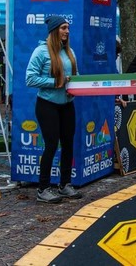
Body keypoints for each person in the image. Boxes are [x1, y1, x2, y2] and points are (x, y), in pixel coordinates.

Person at [25, 16, 83, 204]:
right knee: (51, 145)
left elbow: (75, 77)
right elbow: (30, 79)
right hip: (47, 105)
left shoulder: (70, 52)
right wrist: (56, 82)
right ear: (54, 30)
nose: (67, 31)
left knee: (68, 144)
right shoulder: (41, 52)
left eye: (68, 28)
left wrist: (79, 85)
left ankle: (65, 184)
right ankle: (43, 189)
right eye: (63, 28)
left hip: (67, 105)